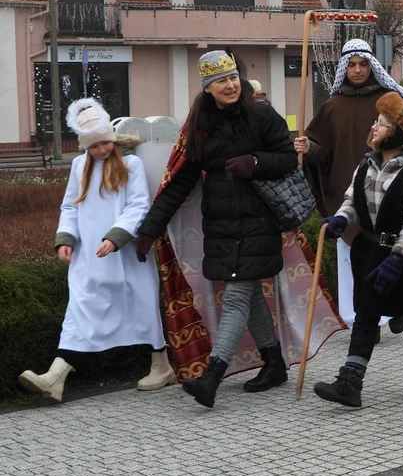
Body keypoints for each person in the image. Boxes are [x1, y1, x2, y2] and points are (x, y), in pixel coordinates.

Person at [135, 50, 297, 408]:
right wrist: (150, 228)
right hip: (221, 226)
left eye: (233, 77)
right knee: (249, 295)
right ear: (207, 87)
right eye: (221, 80)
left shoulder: (262, 113)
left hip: (258, 221)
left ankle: (211, 376)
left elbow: (287, 159)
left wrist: (254, 162)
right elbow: (180, 182)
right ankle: (274, 364)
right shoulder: (200, 125)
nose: (230, 85)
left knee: (238, 295)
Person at [18, 99, 176, 402]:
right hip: (88, 256)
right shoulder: (79, 166)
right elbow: (70, 206)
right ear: (85, 148)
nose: (102, 149)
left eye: (105, 142)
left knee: (142, 305)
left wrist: (116, 237)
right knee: (80, 308)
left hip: (126, 254)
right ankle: (55, 377)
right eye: (95, 146)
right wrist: (65, 238)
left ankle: (161, 365)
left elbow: (139, 204)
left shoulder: (131, 164)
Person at [313, 93, 403, 408]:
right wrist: (342, 220)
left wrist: (398, 259)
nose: (374, 128)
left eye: (381, 124)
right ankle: (350, 382)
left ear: (398, 133)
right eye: (376, 122)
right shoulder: (366, 164)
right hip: (369, 250)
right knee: (367, 313)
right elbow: (351, 200)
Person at [294, 39, 403, 332]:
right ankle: (359, 316)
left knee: (389, 248)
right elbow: (323, 151)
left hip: (386, 187)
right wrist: (308, 147)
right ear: (343, 68)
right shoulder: (332, 107)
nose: (357, 71)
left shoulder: (389, 100)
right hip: (348, 190)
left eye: (363, 64)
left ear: (372, 65)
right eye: (352, 65)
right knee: (350, 257)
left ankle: (395, 308)